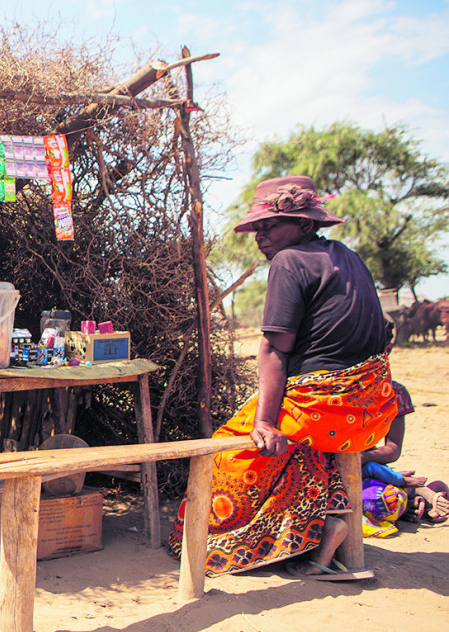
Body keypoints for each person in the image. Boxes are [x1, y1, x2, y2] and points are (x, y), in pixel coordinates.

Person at [168, 175, 398, 580]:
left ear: (305, 224)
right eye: (258, 227)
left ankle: (210, 547)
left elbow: (274, 349)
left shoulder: (290, 262)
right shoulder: (349, 257)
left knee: (226, 452)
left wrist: (264, 422)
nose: (260, 236)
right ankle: (319, 534)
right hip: (371, 409)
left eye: (270, 225)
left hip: (322, 405)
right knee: (303, 452)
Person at [361, 381, 449, 526]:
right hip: (323, 473)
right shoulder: (319, 387)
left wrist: (361, 458)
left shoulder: (393, 391)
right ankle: (408, 493)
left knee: (385, 501)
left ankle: (404, 491)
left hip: (361, 469)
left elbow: (392, 449)